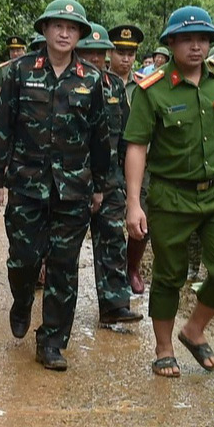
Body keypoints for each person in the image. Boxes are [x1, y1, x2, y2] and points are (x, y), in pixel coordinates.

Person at [0, 0, 112, 371]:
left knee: (63, 266)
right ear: (44, 29)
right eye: (57, 26)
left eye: (71, 28)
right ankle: (23, 299)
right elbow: (2, 129)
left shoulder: (90, 79)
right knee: (23, 259)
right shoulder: (19, 72)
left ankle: (52, 340)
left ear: (79, 36)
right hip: (26, 185)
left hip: (73, 189)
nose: (63, 33)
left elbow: (99, 136)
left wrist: (101, 185)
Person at [123, 6, 214, 378]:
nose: (196, 46)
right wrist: (133, 204)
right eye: (187, 39)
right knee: (169, 274)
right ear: (171, 43)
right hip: (170, 196)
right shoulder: (151, 88)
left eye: (203, 39)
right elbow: (137, 147)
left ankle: (194, 330)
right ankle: (163, 347)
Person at [78, 23, 142, 325]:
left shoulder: (115, 87)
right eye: (87, 54)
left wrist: (129, 190)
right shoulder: (67, 85)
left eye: (99, 54)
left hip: (111, 180)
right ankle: (56, 309)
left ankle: (114, 303)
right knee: (62, 250)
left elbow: (129, 138)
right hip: (73, 181)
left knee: (113, 241)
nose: (95, 60)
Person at [108, 24, 149, 294]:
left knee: (142, 215)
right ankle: (110, 272)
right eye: (121, 52)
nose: (126, 58)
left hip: (138, 160)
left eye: (131, 53)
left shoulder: (144, 87)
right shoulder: (97, 81)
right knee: (110, 220)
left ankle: (131, 266)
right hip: (108, 158)